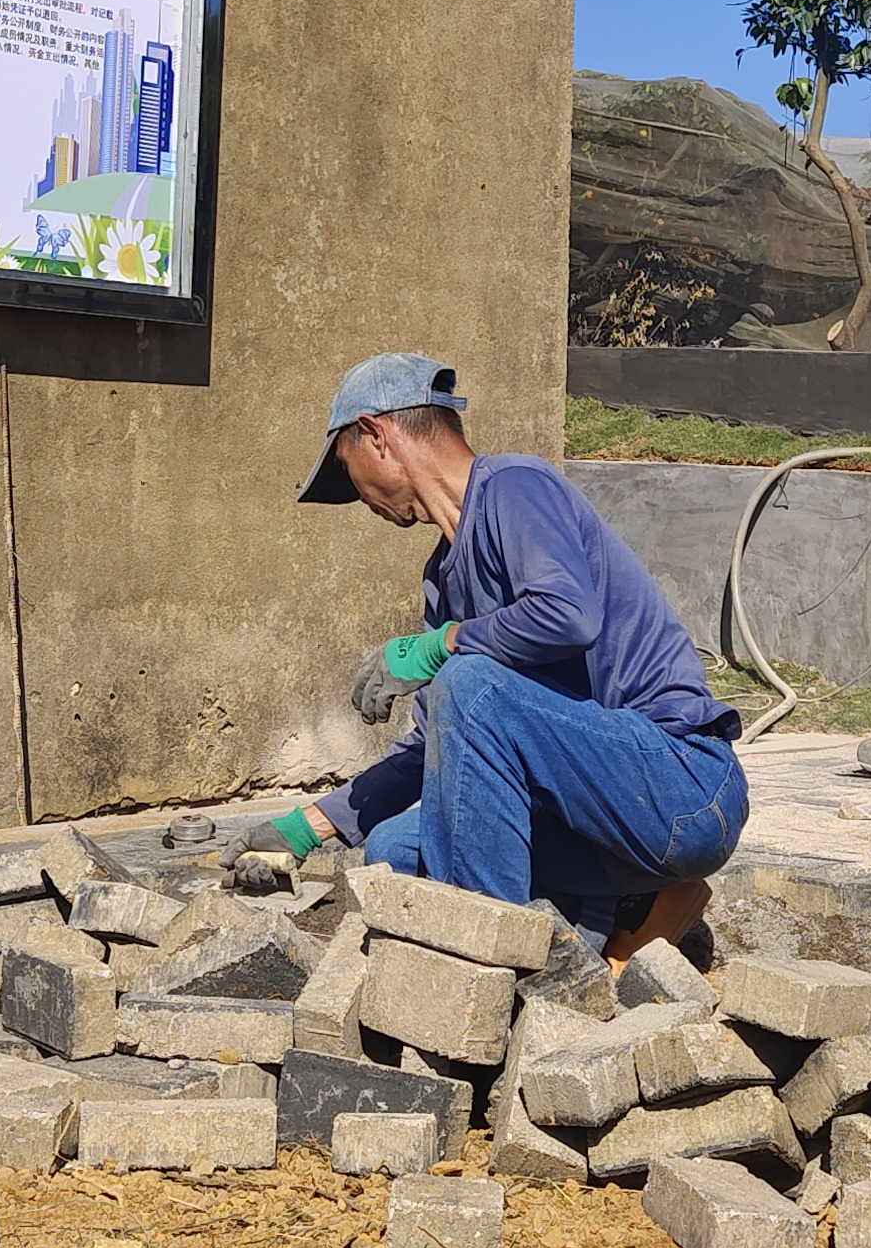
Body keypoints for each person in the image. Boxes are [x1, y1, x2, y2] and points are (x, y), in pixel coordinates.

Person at [242, 351, 746, 959]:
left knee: (470, 683)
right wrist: (305, 829)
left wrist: (443, 645)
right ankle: (627, 908)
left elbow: (568, 615)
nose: (360, 500)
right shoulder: (443, 580)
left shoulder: (514, 486)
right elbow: (428, 746)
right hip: (593, 820)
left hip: (681, 786)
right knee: (395, 846)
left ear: (376, 436)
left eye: (349, 473)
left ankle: (491, 969)